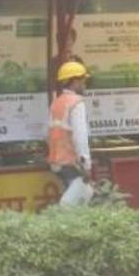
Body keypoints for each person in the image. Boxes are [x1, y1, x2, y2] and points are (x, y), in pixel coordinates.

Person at [47, 60, 94, 207]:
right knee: (70, 204)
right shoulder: (76, 103)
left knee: (85, 193)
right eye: (83, 80)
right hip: (72, 162)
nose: (85, 84)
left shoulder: (56, 103)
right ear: (74, 82)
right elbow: (80, 137)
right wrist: (86, 165)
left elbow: (49, 133)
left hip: (56, 162)